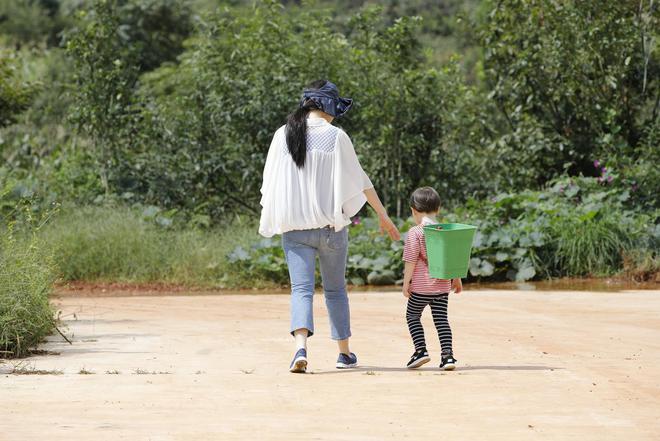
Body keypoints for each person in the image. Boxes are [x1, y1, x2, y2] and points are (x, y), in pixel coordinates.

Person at [259, 79, 400, 373]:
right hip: (331, 230)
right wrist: (384, 217)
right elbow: (361, 182)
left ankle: (300, 349)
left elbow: (269, 184)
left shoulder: (281, 136)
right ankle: (344, 354)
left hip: (295, 230)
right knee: (335, 290)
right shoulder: (336, 137)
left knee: (301, 290)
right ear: (325, 106)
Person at [402, 187, 462, 370]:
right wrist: (457, 279)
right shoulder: (446, 231)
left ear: (413, 210)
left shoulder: (415, 232)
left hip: (421, 288)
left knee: (412, 315)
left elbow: (411, 261)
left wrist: (406, 283)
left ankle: (421, 351)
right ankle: (448, 357)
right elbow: (453, 258)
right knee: (441, 320)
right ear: (438, 209)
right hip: (442, 287)